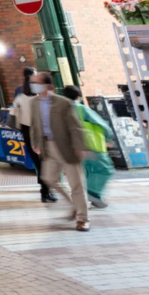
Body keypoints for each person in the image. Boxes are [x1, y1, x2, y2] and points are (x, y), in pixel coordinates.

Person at [28, 72, 89, 231]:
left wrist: (79, 146)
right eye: (33, 82)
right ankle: (74, 206)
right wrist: (35, 142)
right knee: (48, 178)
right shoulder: (33, 102)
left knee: (76, 184)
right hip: (47, 147)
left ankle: (82, 219)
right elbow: (34, 124)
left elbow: (75, 126)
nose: (33, 85)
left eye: (37, 82)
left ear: (49, 85)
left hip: (66, 147)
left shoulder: (63, 103)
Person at [64, 85, 113, 209]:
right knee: (105, 169)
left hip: (71, 147)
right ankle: (94, 194)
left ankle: (90, 196)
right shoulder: (80, 108)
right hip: (89, 145)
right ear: (78, 96)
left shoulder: (61, 109)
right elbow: (100, 123)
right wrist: (108, 137)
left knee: (85, 171)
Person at [11, 67, 53, 202]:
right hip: (41, 129)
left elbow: (12, 116)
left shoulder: (19, 92)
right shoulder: (39, 92)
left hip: (26, 130)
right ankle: (46, 191)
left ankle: (45, 192)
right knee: (45, 162)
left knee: (38, 162)